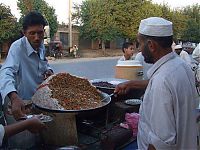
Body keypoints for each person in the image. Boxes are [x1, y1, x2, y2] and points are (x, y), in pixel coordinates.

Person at [115, 17, 197, 149]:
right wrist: (131, 84)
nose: (140, 50)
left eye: (140, 44)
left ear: (151, 45)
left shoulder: (162, 81)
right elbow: (158, 82)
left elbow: (161, 143)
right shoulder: (180, 66)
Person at [0, 11, 53, 148]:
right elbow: (6, 72)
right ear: (24, 32)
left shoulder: (41, 46)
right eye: (32, 33)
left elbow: (44, 64)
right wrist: (14, 97)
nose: (37, 37)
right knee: (22, 143)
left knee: (36, 137)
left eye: (40, 33)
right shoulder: (17, 48)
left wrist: (49, 71)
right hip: (18, 104)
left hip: (35, 101)